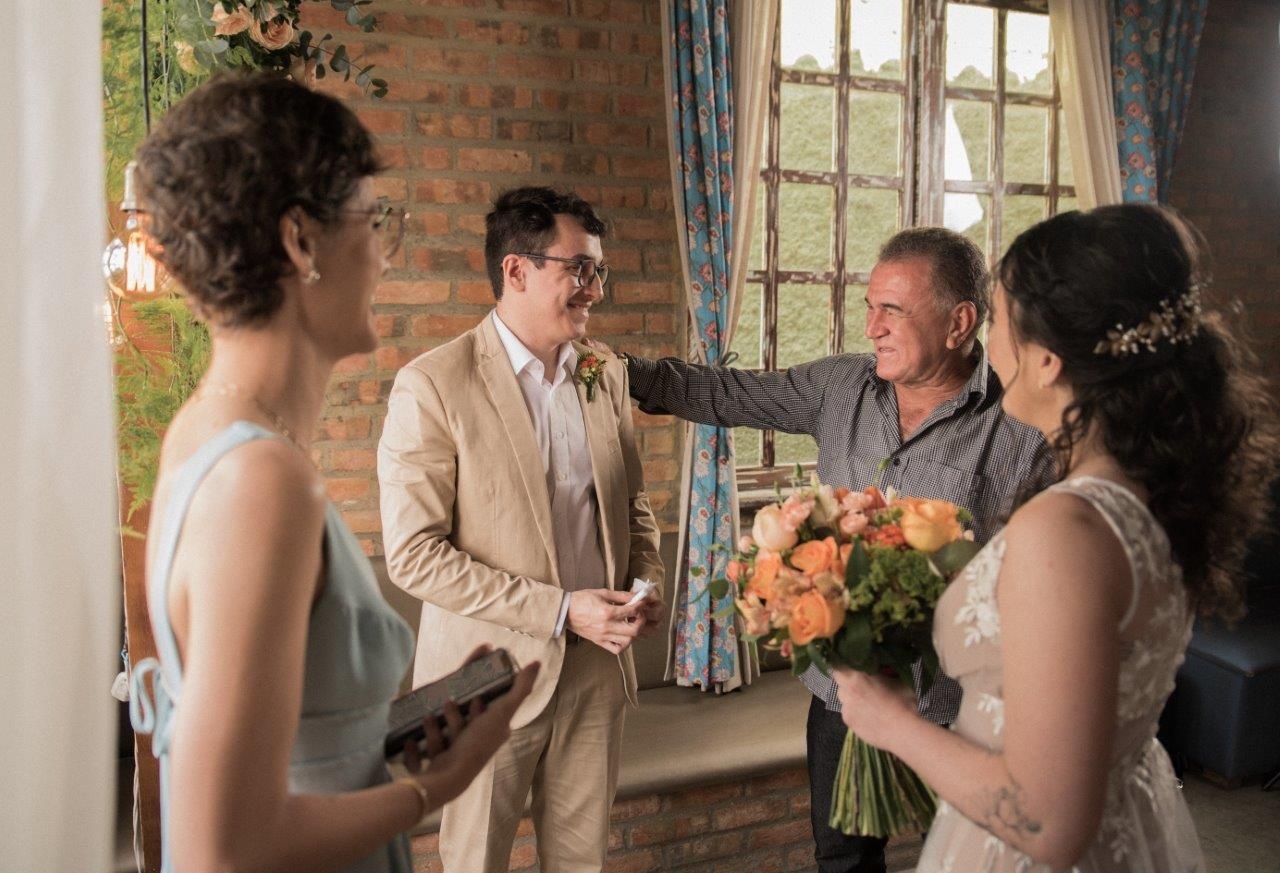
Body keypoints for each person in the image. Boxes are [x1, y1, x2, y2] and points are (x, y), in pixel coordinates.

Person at [127, 74, 537, 873]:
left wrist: (384, 730)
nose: (384, 253)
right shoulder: (261, 480)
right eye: (374, 222)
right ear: (300, 241)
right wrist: (437, 785)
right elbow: (226, 849)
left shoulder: (210, 432)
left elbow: (283, 741)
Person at [833, 203, 1278, 872]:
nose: (987, 346)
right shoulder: (1151, 490)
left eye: (997, 321)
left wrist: (889, 721)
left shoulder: (1064, 527)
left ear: (1045, 361)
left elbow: (1046, 820)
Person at [614, 227, 1052, 872]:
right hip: (842, 696)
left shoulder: (1025, 425)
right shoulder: (842, 386)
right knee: (841, 859)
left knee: (966, 862)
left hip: (959, 704)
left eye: (892, 310)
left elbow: (1048, 579)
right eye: (869, 307)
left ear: (959, 323)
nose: (872, 327)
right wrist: (613, 369)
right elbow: (728, 393)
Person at [377, 186, 665, 873]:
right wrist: (561, 609)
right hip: (483, 682)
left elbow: (633, 505)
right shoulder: (432, 384)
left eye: (599, 270)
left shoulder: (605, 372)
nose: (595, 289)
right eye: (580, 269)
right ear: (516, 270)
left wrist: (644, 582)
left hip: (596, 674)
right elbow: (414, 555)